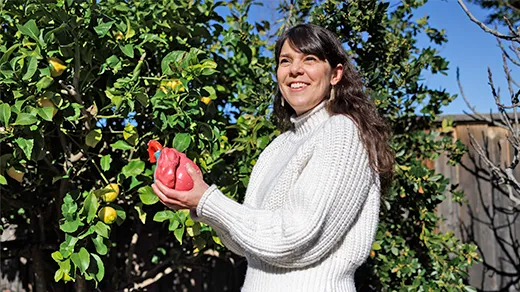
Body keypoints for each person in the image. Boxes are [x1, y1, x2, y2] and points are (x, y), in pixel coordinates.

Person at [152, 23, 394, 291]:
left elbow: (294, 239)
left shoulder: (341, 132)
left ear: (336, 74)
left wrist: (208, 199)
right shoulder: (279, 147)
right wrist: (199, 200)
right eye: (285, 61)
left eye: (309, 59)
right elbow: (250, 245)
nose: (294, 70)